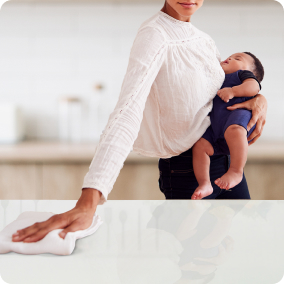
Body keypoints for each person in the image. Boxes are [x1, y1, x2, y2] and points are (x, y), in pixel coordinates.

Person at [11, 0, 267, 243]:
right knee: (191, 263)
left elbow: (218, 93)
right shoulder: (155, 36)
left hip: (225, 160)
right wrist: (88, 201)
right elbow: (127, 111)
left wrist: (258, 99)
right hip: (188, 169)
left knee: (232, 250)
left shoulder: (205, 40)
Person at [191, 52, 264, 200]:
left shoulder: (242, 75)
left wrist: (233, 91)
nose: (230, 58)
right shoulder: (217, 77)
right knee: (200, 146)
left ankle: (236, 171)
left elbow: (254, 87)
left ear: (251, 72)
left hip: (238, 115)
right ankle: (205, 184)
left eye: (237, 58)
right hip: (218, 127)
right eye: (230, 56)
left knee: (235, 130)